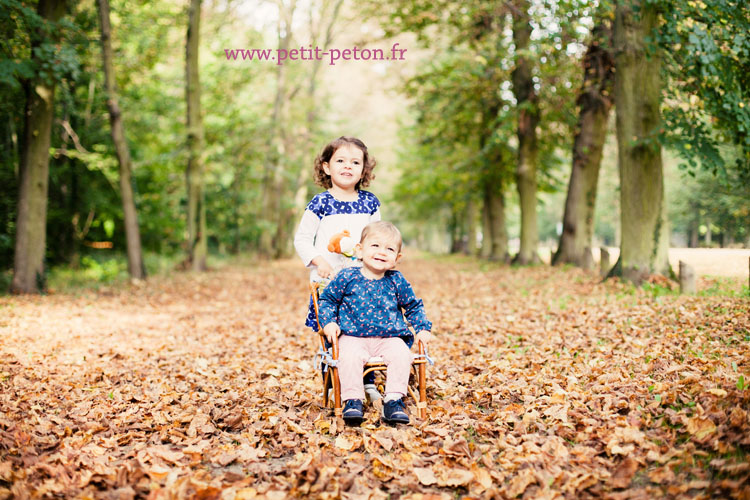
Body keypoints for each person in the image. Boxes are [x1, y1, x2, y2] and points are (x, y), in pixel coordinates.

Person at [317, 221, 433, 425]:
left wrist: (422, 328)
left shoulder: (397, 280)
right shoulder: (347, 277)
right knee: (349, 356)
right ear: (360, 251)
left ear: (397, 258)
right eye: (375, 246)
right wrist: (329, 323)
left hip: (389, 337)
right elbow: (328, 300)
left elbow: (413, 306)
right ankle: (352, 399)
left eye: (389, 249)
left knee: (401, 354)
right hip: (352, 337)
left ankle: (393, 400)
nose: (382, 252)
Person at [293, 136, 382, 401]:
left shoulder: (370, 203)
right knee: (333, 332)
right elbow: (302, 239)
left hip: (364, 281)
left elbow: (377, 238)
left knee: (367, 328)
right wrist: (318, 261)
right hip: (329, 282)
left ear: (364, 169)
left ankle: (367, 382)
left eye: (355, 162)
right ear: (326, 167)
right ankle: (333, 384)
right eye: (340, 160)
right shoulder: (321, 203)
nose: (347, 166)